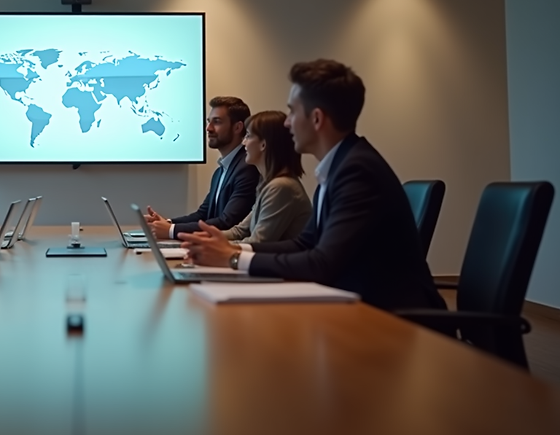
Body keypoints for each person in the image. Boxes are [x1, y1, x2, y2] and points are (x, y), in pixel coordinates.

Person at [180, 60, 445, 312]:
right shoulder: (340, 165)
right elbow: (303, 244)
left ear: (316, 119)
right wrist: (232, 249)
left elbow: (321, 264)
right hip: (360, 306)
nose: (286, 122)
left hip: (392, 320)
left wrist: (233, 258)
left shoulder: (357, 171)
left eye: (292, 111)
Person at [145, 96, 260, 238]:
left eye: (217, 122)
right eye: (208, 122)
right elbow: (203, 215)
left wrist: (171, 230)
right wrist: (167, 223)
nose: (208, 128)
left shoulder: (247, 169)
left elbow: (227, 222)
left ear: (237, 127)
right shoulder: (220, 171)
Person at [221, 110, 312, 244]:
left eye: (248, 136)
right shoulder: (268, 183)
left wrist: (216, 245)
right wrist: (205, 238)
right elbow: (240, 231)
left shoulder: (281, 187)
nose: (243, 142)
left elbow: (258, 243)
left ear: (263, 144)